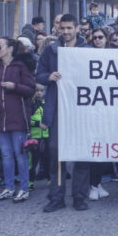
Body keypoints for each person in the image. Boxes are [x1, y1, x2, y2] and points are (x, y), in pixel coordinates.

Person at [37, 14, 90, 212]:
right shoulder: (51, 51)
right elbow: (39, 74)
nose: (66, 32)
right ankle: (57, 197)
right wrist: (48, 76)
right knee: (56, 153)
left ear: (77, 29)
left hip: (83, 110)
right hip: (58, 108)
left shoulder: (88, 51)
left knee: (82, 154)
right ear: (58, 29)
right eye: (63, 28)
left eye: (70, 28)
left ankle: (79, 196)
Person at [0, 37, 35, 203]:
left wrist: (15, 87)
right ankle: (9, 187)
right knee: (6, 155)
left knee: (20, 155)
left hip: (18, 118)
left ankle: (24, 189)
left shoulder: (20, 67)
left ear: (10, 49)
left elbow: (31, 89)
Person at [87, 28, 110, 201]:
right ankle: (92, 185)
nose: (97, 40)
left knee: (104, 151)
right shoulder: (86, 55)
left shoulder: (114, 55)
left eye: (101, 37)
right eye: (94, 38)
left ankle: (97, 183)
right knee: (94, 150)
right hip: (92, 110)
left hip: (109, 111)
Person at [29, 84, 49, 187]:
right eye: (37, 90)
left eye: (41, 90)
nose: (39, 93)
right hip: (35, 137)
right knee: (33, 160)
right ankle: (30, 182)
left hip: (45, 136)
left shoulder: (45, 103)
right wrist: (38, 124)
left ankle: (50, 179)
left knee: (47, 158)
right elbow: (27, 120)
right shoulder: (31, 104)